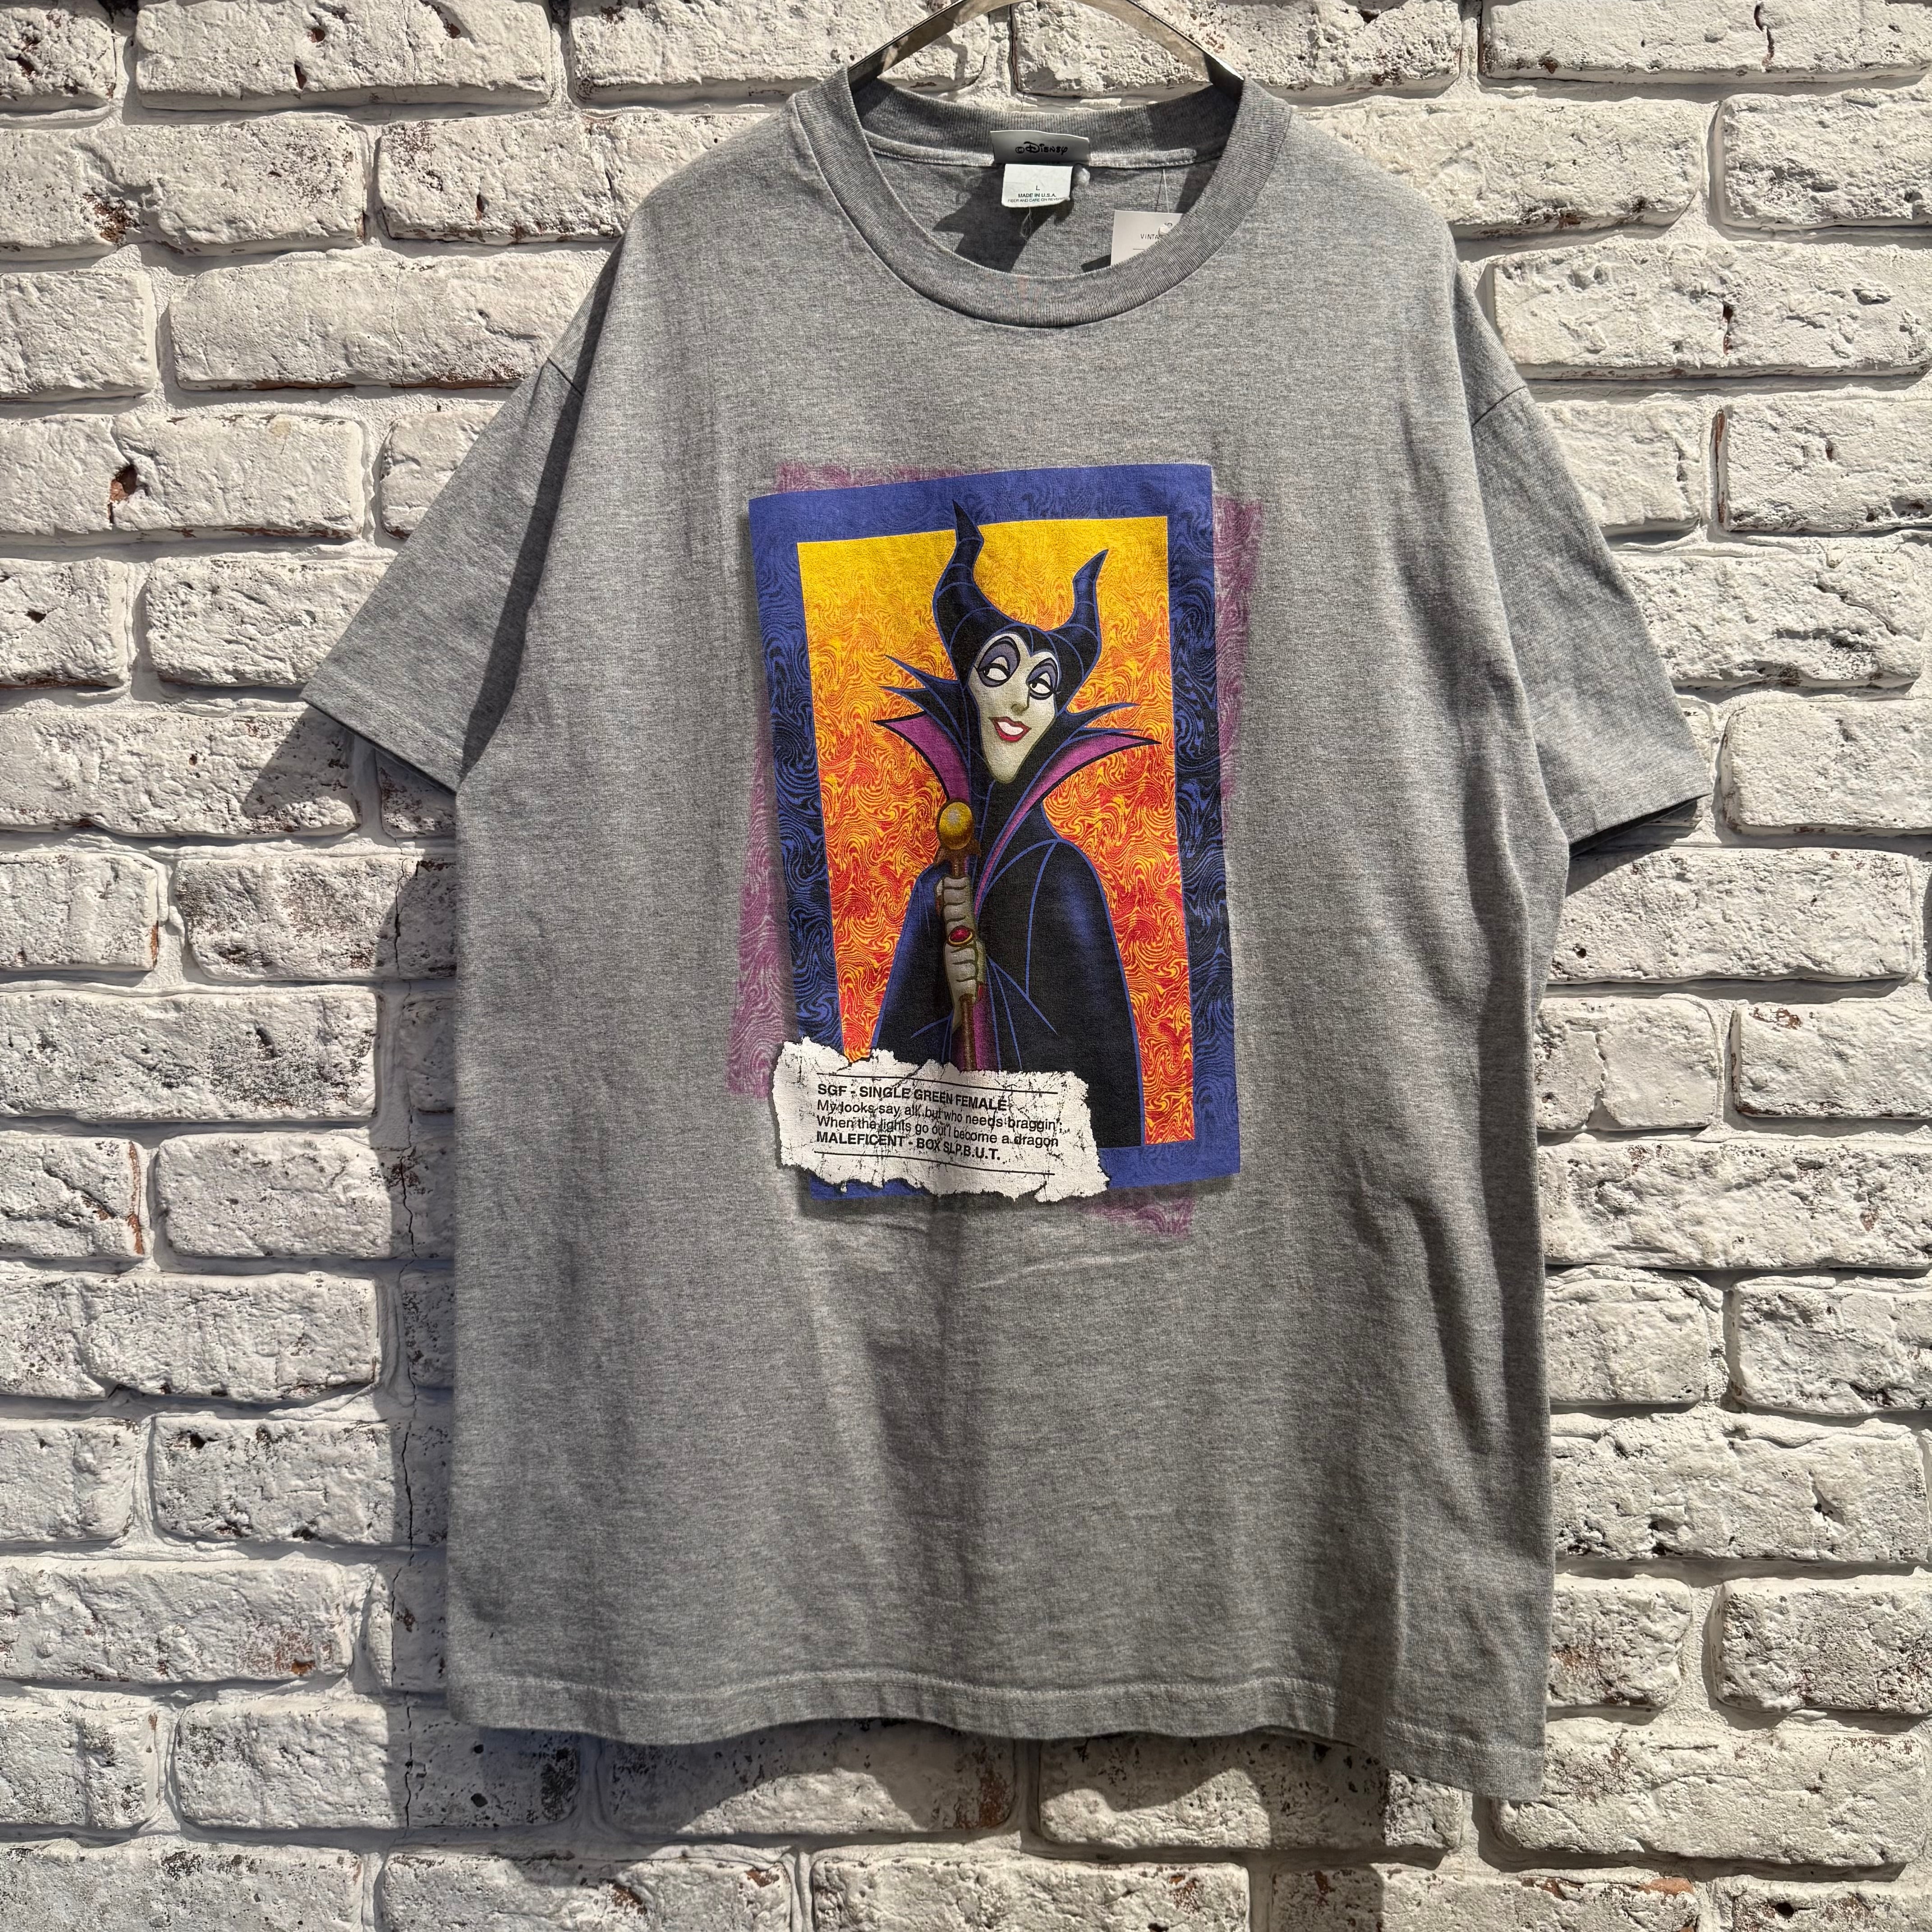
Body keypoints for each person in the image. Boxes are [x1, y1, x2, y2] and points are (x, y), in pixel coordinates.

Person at [872, 504, 1150, 1149]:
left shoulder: (1063, 876)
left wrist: (989, 988)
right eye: (999, 671)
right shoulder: (936, 889)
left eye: (1043, 686)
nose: (1021, 699)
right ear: (967, 687)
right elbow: (885, 1090)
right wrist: (947, 996)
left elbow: (1109, 1090)